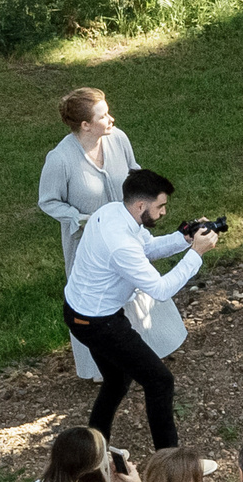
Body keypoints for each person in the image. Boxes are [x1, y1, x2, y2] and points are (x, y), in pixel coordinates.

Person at [63, 166, 219, 451]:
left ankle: (93, 451)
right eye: (160, 207)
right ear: (140, 205)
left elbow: (147, 248)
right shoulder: (119, 243)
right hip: (98, 323)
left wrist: (184, 238)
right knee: (159, 381)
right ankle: (169, 461)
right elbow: (160, 290)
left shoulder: (114, 212)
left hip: (83, 313)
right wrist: (196, 254)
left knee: (116, 380)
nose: (163, 213)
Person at [38, 88, 186, 383]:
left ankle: (147, 352)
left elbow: (134, 173)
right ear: (85, 126)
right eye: (103, 115)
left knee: (137, 283)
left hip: (128, 232)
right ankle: (105, 367)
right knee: (98, 299)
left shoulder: (118, 139)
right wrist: (82, 219)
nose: (111, 118)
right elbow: (48, 201)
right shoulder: (60, 159)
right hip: (88, 243)